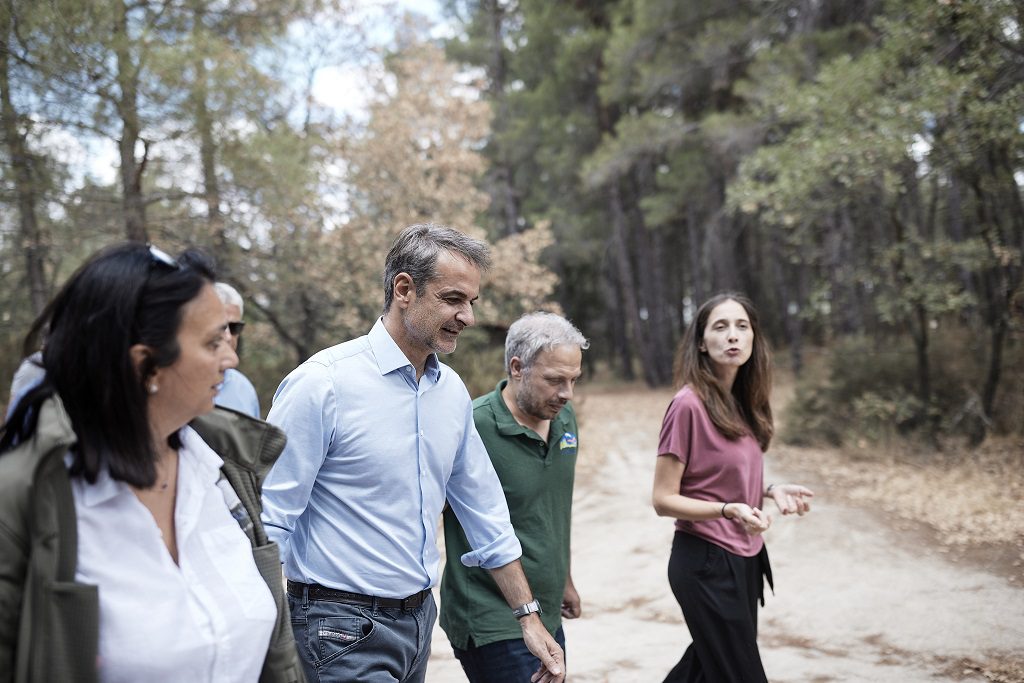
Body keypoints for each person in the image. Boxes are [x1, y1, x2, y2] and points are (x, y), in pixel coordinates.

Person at [261, 223, 565, 683]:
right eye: (453, 299)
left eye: (471, 303)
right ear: (404, 289)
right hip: (338, 626)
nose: (468, 317)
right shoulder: (322, 383)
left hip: (419, 621)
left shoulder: (452, 392)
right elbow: (270, 517)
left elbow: (484, 510)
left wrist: (527, 615)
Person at [0, 242, 304, 683]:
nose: (231, 358)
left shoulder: (226, 475)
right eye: (213, 341)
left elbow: (275, 654)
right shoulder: (26, 503)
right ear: (146, 366)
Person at [651, 292, 814, 683]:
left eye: (742, 326)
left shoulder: (744, 402)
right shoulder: (688, 405)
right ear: (701, 342)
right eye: (720, 327)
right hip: (706, 561)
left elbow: (719, 480)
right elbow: (662, 499)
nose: (732, 336)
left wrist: (769, 489)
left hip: (746, 559)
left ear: (754, 339)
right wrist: (728, 510)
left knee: (708, 668)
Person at [440, 311, 589, 683]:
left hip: (547, 608)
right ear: (517, 367)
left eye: (573, 380)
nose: (567, 394)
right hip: (491, 616)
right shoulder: (472, 426)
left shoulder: (564, 418)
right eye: (555, 380)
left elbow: (554, 509)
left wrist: (564, 578)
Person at [214, 282, 261, 418]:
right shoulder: (180, 382)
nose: (228, 336)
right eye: (221, 326)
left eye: (234, 327)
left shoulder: (244, 388)